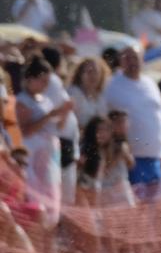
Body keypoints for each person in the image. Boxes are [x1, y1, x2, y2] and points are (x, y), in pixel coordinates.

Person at [103, 46, 161, 202]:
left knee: (154, 209)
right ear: (121, 61)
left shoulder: (150, 83)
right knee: (136, 209)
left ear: (142, 60)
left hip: (155, 157)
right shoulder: (112, 85)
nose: (132, 62)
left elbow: (158, 116)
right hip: (131, 158)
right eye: (127, 58)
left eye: (135, 58)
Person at [15, 57, 73, 228]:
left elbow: (57, 128)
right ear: (30, 79)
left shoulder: (45, 100)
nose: (45, 85)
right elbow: (25, 130)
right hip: (33, 154)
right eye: (42, 81)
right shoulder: (22, 100)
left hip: (49, 155)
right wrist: (49, 115)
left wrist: (64, 113)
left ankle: (47, 238)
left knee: (51, 197)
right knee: (35, 198)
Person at [41, 47, 79, 208]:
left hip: (61, 145)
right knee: (61, 202)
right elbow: (57, 116)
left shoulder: (52, 82)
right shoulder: (52, 81)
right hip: (59, 145)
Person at [68, 56, 110, 126]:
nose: (93, 76)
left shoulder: (102, 95)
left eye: (96, 72)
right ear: (80, 74)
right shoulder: (73, 93)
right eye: (89, 72)